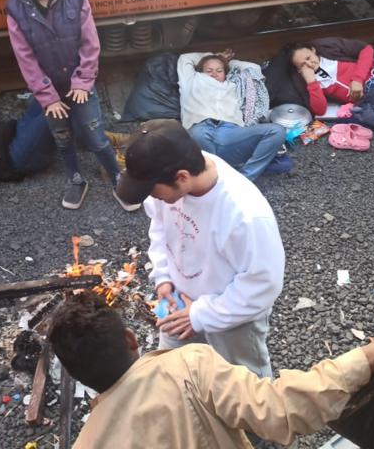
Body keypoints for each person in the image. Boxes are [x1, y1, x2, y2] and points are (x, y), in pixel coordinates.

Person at [48, 292, 374, 449]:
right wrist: (364, 360)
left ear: (76, 375)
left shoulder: (85, 443)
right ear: (131, 339)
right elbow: (279, 410)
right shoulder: (187, 366)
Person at [115, 119, 285, 377]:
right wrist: (163, 277)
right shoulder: (169, 175)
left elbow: (262, 285)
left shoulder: (245, 215)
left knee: (244, 383)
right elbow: (159, 228)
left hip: (232, 316)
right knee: (172, 371)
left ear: (182, 177)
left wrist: (200, 315)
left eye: (153, 191)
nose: (151, 198)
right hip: (177, 299)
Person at [5, 0, 134, 211]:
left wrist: (83, 81)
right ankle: (75, 179)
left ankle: (117, 176)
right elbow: (25, 58)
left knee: (94, 136)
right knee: (62, 137)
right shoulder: (15, 7)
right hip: (50, 90)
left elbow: (90, 42)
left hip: (79, 85)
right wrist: (47, 97)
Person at [178, 51, 286, 180]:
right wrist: (215, 55)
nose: (214, 74)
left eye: (219, 70)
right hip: (201, 128)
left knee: (277, 131)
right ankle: (216, 177)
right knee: (197, 134)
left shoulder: (233, 85)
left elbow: (254, 69)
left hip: (231, 132)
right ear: (200, 71)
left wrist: (227, 61)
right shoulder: (191, 80)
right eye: (209, 71)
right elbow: (185, 58)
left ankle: (244, 178)